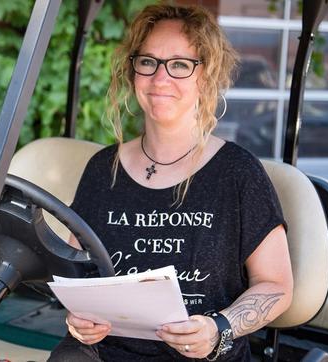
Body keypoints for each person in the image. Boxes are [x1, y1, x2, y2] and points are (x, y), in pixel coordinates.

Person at [48, 3, 293, 361]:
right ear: (133, 71)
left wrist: (219, 329)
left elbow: (277, 286)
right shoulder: (103, 168)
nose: (160, 78)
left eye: (180, 65)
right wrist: (79, 318)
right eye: (148, 62)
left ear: (206, 76)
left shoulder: (238, 172)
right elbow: (77, 271)